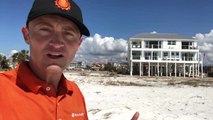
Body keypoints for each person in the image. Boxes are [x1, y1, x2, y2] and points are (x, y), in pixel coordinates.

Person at [0, 0, 139, 120]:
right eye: (45, 29)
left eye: (68, 33)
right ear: (27, 35)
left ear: (78, 44)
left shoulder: (75, 93)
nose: (57, 43)